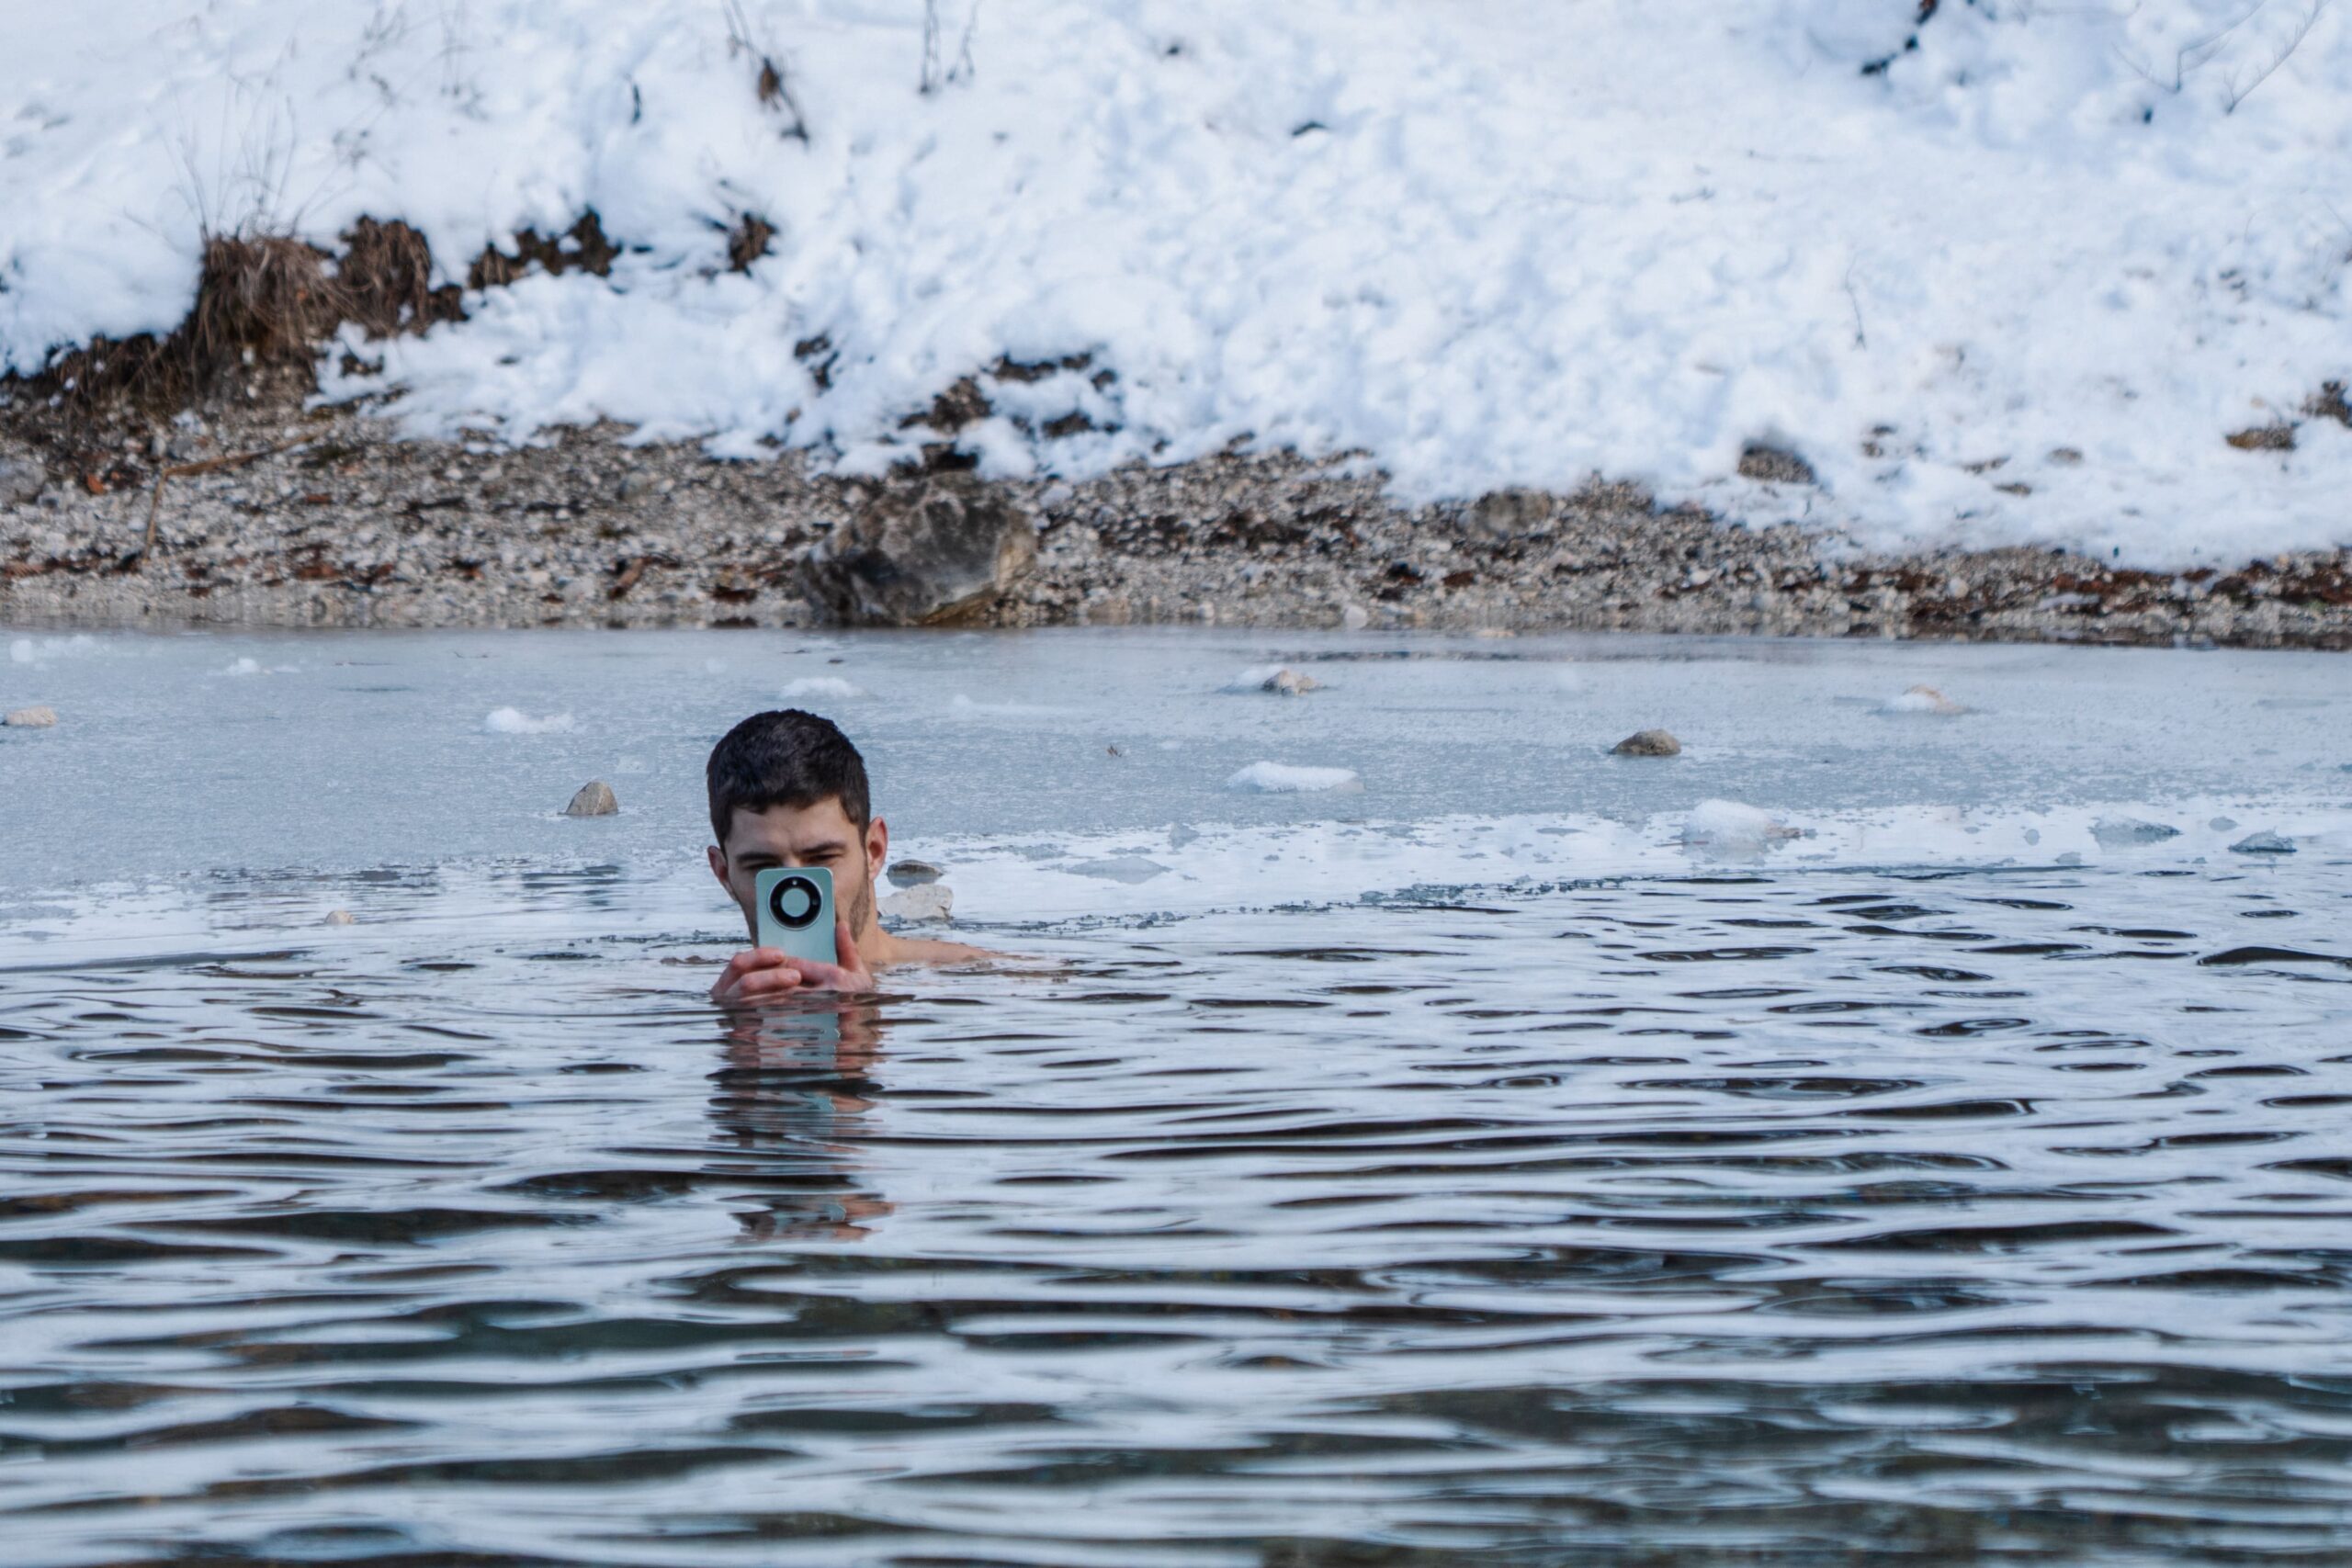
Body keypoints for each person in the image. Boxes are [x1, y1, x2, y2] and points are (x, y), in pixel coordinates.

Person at [705, 708, 989, 1004]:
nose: (796, 889)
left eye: (821, 859)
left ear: (873, 851)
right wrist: (735, 1031)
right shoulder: (687, 985)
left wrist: (858, 1015)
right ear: (724, 875)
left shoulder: (973, 980)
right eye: (763, 867)